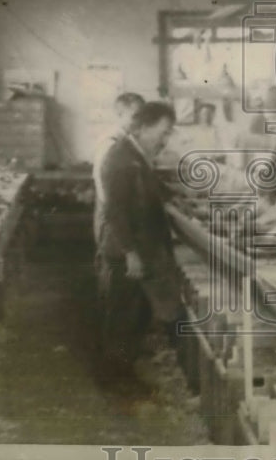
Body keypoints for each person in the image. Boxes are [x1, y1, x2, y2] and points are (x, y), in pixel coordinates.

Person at [96, 101, 181, 385]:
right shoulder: (120, 158)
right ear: (143, 128)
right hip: (127, 252)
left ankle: (123, 372)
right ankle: (116, 381)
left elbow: (144, 193)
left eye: (169, 133)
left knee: (136, 315)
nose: (165, 139)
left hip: (139, 249)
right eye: (163, 131)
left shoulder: (135, 154)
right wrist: (130, 252)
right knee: (123, 316)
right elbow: (114, 210)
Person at [92, 92, 144, 247]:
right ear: (120, 115)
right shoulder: (110, 142)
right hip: (113, 221)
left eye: (142, 116)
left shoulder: (129, 141)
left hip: (123, 218)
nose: (140, 121)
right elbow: (106, 194)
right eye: (135, 116)